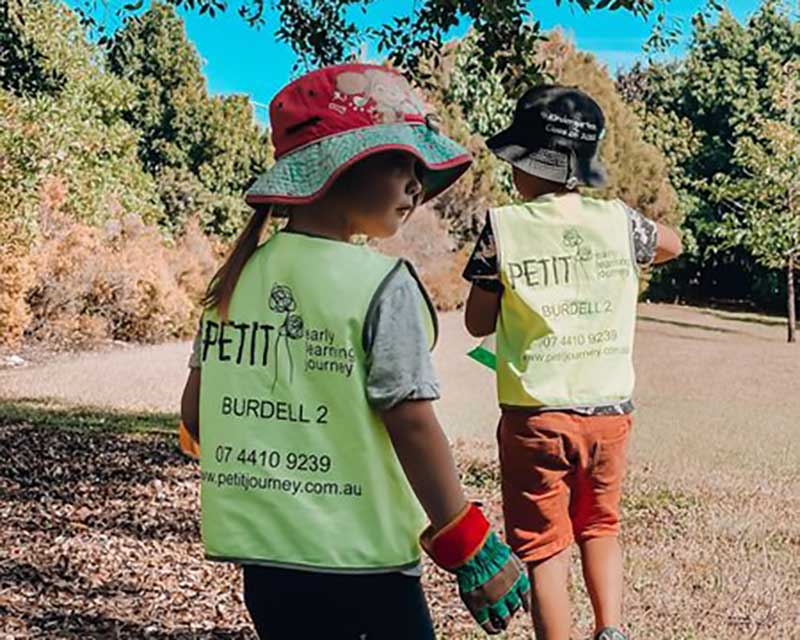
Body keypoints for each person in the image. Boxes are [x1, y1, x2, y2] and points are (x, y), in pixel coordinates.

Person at [180, 62, 530, 639]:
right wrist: (468, 541)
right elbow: (412, 424)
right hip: (363, 566)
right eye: (401, 164)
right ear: (337, 168)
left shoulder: (235, 280)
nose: (417, 185)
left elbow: (198, 416)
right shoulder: (381, 284)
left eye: (420, 169)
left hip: (267, 569)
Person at [462, 85, 683, 640]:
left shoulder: (504, 229)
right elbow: (673, 244)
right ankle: (610, 630)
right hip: (609, 412)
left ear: (527, 164)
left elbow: (476, 322)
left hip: (536, 417)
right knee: (601, 526)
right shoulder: (618, 222)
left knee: (544, 548)